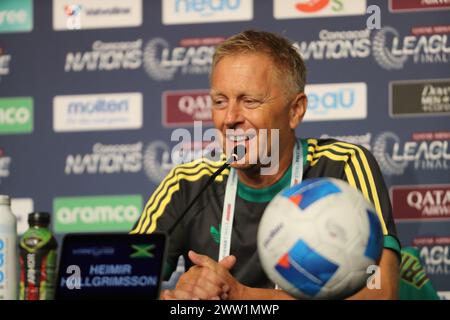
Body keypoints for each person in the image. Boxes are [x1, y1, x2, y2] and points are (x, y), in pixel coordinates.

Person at [130, 30, 401, 300]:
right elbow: (120, 283)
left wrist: (241, 297)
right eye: (219, 102)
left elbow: (380, 293)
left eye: (249, 101)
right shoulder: (187, 184)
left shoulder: (342, 167)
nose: (230, 118)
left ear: (295, 111)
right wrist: (178, 298)